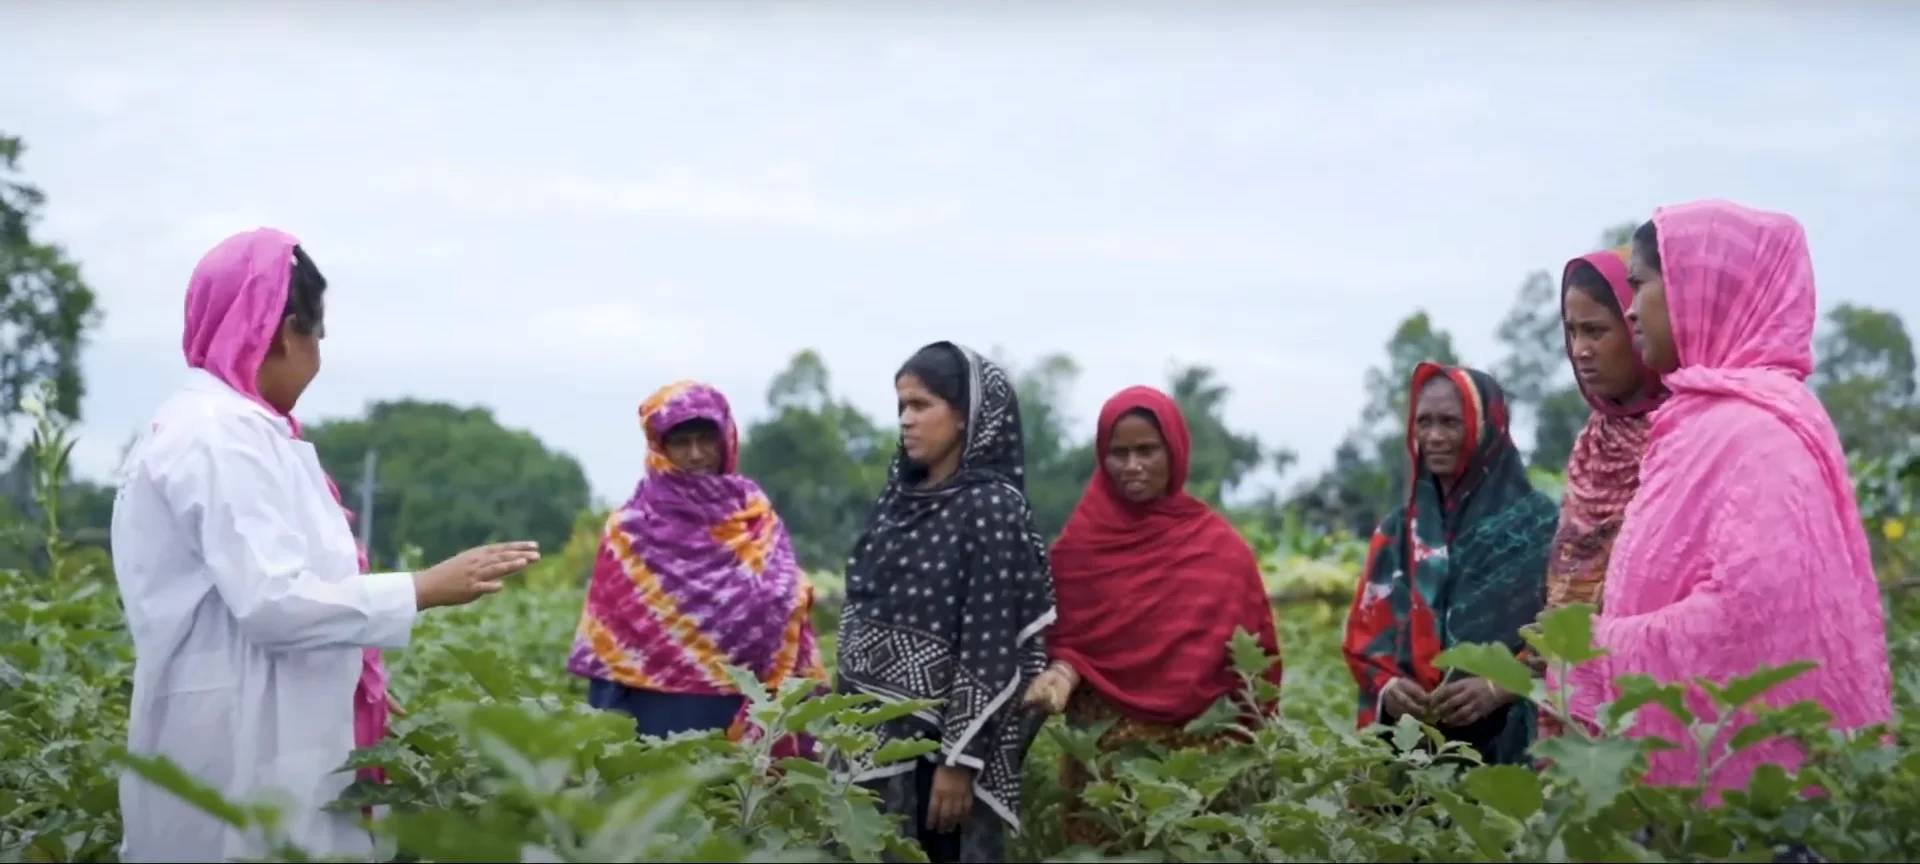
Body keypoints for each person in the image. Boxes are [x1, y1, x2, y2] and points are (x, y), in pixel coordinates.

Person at [110, 228, 540, 862]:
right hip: (237, 744)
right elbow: (274, 603)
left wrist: (355, 665)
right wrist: (422, 589)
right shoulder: (218, 435)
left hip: (264, 730)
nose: (317, 357)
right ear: (283, 332)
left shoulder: (239, 430)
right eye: (318, 336)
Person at [1564, 200, 1893, 795]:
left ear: (1699, 290)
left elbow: (1749, 616)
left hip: (1745, 807)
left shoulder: (1758, 435)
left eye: (1641, 287)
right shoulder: (1701, 421)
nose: (1632, 312)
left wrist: (1596, 648)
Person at [1022, 385, 1283, 847]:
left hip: (1196, 775)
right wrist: (1063, 669)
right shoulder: (1078, 551)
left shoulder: (1220, 550)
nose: (1132, 465)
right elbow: (1067, 639)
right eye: (1117, 453)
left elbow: (1255, 664)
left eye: (1147, 450)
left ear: (1175, 451)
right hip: (1103, 774)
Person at [836, 341, 1056, 864]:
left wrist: (960, 762)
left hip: (943, 756)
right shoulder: (896, 503)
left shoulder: (990, 508)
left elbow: (991, 640)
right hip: (872, 743)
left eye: (921, 405)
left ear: (966, 416)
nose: (906, 421)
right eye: (901, 408)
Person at [567, 380, 826, 740]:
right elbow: (612, 645)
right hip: (657, 710)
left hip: (745, 704)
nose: (695, 454)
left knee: (736, 793)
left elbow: (786, 606)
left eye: (706, 440)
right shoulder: (629, 529)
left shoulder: (756, 518)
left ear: (726, 440)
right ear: (659, 448)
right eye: (680, 442)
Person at [1343, 363, 1557, 765]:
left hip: (1508, 747)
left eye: (1450, 423)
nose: (1434, 437)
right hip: (1410, 751)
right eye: (1424, 423)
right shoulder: (1397, 533)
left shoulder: (1540, 528)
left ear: (1485, 428)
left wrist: (1498, 686)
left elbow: (1564, 638)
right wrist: (1390, 689)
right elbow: (1365, 638)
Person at [1546, 248, 1669, 612]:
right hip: (1567, 660)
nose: (1580, 350)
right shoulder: (1593, 443)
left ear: (1638, 325)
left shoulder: (1679, 436)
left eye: (1596, 332)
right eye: (1572, 332)